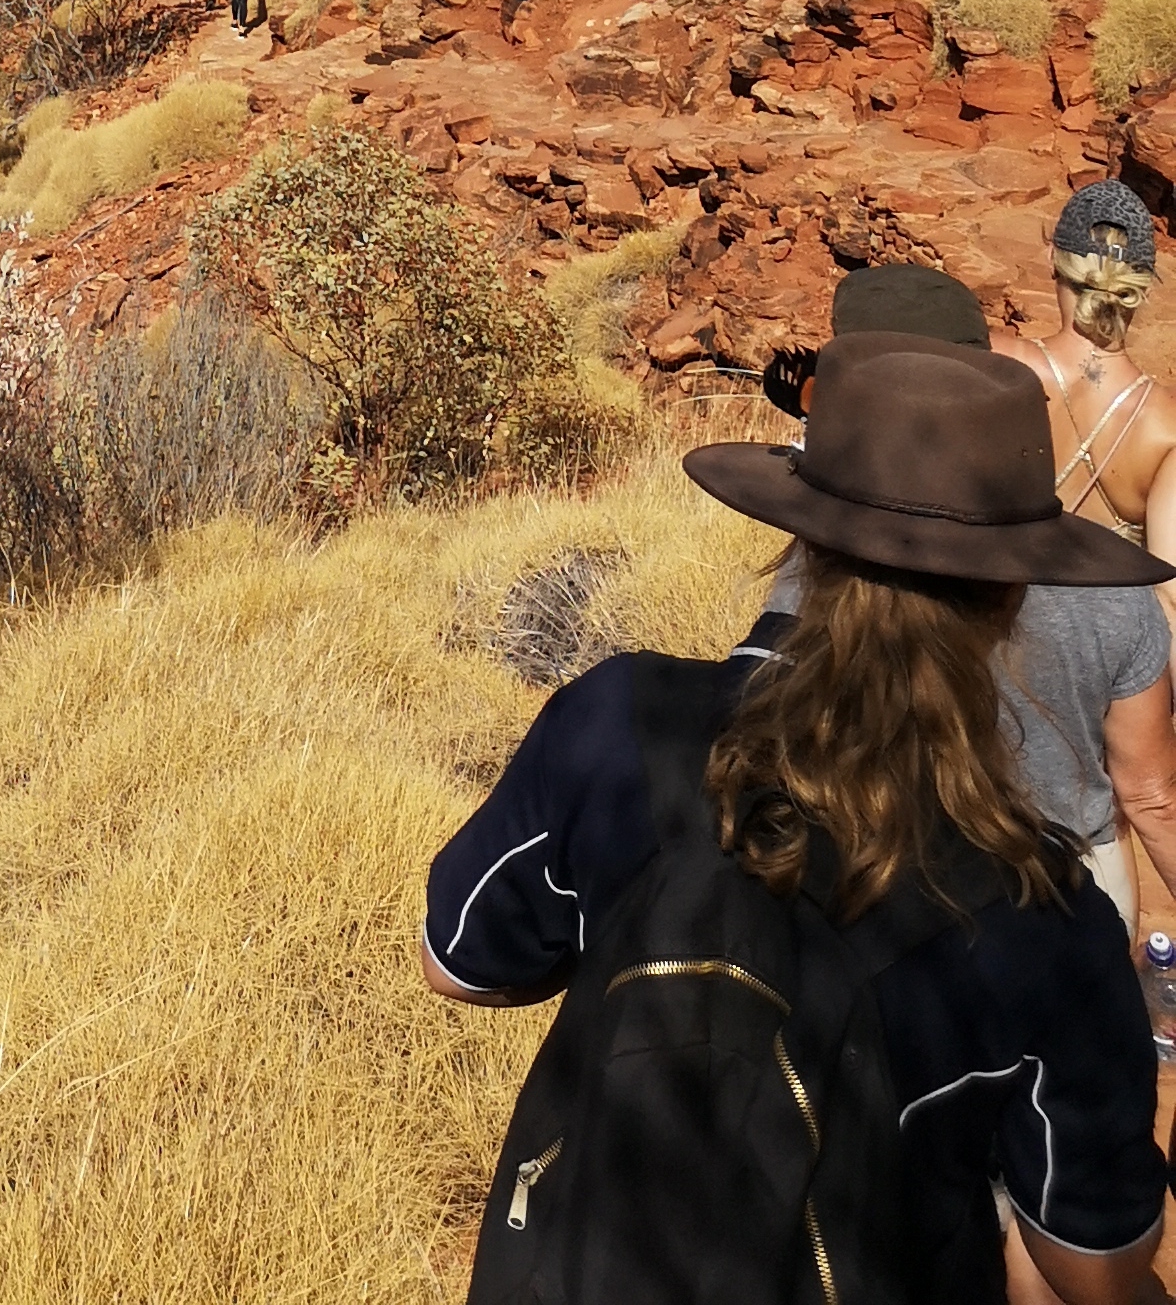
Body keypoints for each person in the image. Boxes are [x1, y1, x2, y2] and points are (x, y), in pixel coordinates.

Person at [426, 336, 1173, 1304]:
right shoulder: (1044, 907)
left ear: (802, 540)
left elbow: (463, 964)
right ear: (1010, 595)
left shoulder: (618, 718)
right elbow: (1091, 1258)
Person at [761, 266, 1176, 935]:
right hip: (1075, 891)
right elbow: (1151, 795)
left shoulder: (814, 579)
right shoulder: (1117, 598)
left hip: (884, 879)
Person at [1004, 184, 1176, 596]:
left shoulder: (996, 362)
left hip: (987, 627)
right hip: (1099, 644)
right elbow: (1170, 589)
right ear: (1140, 287)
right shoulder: (1166, 424)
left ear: (1051, 258)